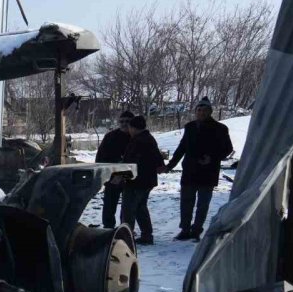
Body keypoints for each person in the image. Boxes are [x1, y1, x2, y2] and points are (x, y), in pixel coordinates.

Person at [160, 97, 234, 241]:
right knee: (186, 202)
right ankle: (185, 229)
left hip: (208, 172)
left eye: (204, 110)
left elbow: (227, 148)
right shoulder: (190, 127)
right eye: (198, 110)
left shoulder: (219, 128)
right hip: (190, 170)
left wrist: (212, 158)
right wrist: (169, 166)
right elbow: (182, 148)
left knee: (202, 204)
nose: (201, 112)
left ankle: (196, 230)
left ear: (210, 112)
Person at [120, 115, 164, 245]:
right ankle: (146, 235)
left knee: (129, 210)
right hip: (148, 180)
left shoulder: (137, 141)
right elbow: (158, 160)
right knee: (141, 208)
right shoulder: (149, 139)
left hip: (136, 181)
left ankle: (126, 238)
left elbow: (131, 162)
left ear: (133, 128)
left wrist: (122, 175)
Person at [95, 110, 135, 228]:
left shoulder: (136, 137)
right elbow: (100, 156)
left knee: (129, 206)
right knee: (109, 204)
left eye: (127, 121)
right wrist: (104, 174)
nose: (124, 124)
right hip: (112, 175)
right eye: (121, 121)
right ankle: (108, 228)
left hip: (131, 176)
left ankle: (126, 228)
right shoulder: (110, 136)